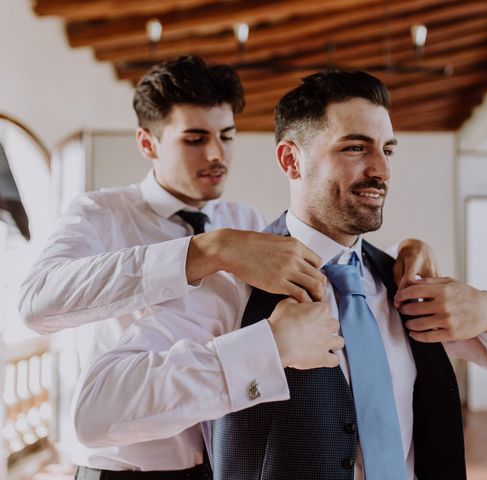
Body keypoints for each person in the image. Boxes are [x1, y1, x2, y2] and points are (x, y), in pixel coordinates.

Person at [73, 70, 487, 480]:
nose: (381, 170)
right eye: (355, 148)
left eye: (386, 149)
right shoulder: (229, 287)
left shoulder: (401, 278)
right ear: (291, 161)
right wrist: (265, 348)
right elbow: (96, 412)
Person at [17, 56, 436, 478]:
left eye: (227, 136)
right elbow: (37, 303)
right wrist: (206, 252)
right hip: (122, 462)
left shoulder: (248, 223)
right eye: (195, 139)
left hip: (221, 460)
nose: (217, 155)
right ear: (148, 144)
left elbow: (326, 248)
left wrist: (393, 254)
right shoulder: (100, 214)